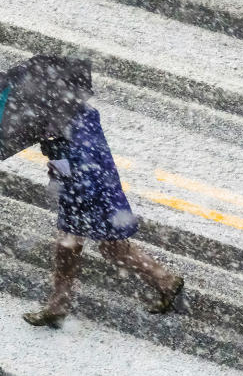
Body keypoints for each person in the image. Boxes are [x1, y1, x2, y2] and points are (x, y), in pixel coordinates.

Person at [22, 100, 184, 328]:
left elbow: (72, 172)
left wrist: (55, 161)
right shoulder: (81, 113)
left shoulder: (62, 132)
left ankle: (58, 307)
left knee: (69, 246)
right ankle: (165, 281)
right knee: (109, 247)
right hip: (104, 188)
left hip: (83, 196)